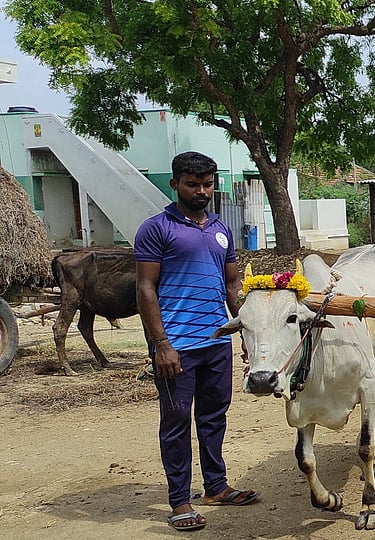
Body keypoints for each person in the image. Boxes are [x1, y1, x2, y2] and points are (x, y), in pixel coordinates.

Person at [135, 151, 260, 532]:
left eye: (207, 184)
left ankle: (216, 487)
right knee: (175, 423)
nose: (202, 191)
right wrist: (162, 344)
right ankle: (178, 501)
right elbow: (145, 287)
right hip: (177, 346)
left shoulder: (220, 229)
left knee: (213, 417)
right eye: (193, 184)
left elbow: (233, 284)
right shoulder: (157, 228)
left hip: (216, 341)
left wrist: (244, 328)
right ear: (175, 184)